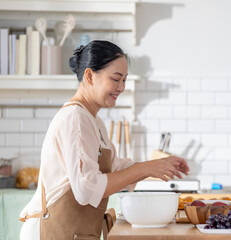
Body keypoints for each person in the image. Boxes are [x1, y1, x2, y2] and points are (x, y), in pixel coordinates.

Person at [19, 40, 190, 240]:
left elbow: (116, 169)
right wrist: (147, 169)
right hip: (50, 232)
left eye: (125, 80)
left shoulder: (94, 121)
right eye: (116, 79)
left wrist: (156, 166)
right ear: (90, 76)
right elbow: (86, 188)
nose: (121, 87)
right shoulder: (75, 118)